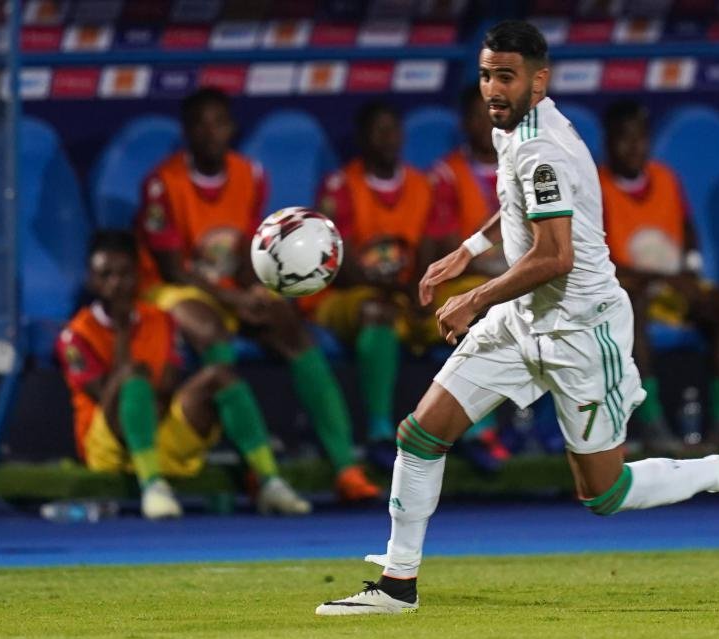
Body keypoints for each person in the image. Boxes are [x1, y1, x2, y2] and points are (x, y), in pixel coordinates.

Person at [315, 20, 719, 616]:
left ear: (539, 81)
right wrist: (466, 251)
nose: (493, 88)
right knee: (421, 434)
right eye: (487, 74)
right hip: (522, 318)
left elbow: (554, 255)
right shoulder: (512, 128)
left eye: (506, 77)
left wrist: (474, 296)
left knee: (605, 493)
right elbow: (513, 205)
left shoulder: (546, 148)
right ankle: (397, 585)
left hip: (580, 331)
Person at [136, 88, 378, 502]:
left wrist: (254, 289)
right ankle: (256, 468)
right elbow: (174, 268)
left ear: (231, 129)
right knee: (211, 332)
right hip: (169, 290)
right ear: (188, 132)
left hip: (228, 290)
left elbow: (249, 250)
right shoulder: (163, 183)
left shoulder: (251, 175)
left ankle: (345, 467)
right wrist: (235, 301)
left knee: (289, 325)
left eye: (218, 123)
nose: (210, 133)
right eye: (200, 124)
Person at [57, 231, 311, 519]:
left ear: (138, 276)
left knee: (220, 376)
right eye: (106, 275)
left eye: (125, 274)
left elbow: (167, 387)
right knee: (132, 375)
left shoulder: (161, 320)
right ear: (92, 280)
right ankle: (153, 486)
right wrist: (124, 331)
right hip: (108, 448)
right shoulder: (75, 335)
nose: (116, 284)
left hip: (159, 432)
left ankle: (270, 483)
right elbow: (105, 398)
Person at [304, 102, 443, 471]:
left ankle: (475, 432)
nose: (387, 138)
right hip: (348, 296)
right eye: (378, 130)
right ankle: (380, 431)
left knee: (459, 312)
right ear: (363, 138)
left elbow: (429, 246)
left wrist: (419, 288)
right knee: (376, 311)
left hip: (403, 293)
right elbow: (339, 262)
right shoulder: (340, 186)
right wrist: (397, 292)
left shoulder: (422, 184)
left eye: (393, 129)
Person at [599, 100, 719, 450]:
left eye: (640, 139)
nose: (633, 148)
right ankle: (651, 422)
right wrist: (655, 280)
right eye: (624, 139)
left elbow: (688, 230)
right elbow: (595, 257)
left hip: (674, 286)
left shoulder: (666, 178)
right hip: (625, 289)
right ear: (609, 144)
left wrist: (691, 270)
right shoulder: (594, 185)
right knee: (631, 308)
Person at [426, 83, 512, 471]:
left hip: (516, 278)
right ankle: (480, 429)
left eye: (493, 111)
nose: (487, 121)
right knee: (483, 310)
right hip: (464, 283)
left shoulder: (521, 163)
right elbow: (445, 244)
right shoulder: (445, 175)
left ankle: (554, 426)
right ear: (465, 123)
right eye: (478, 115)